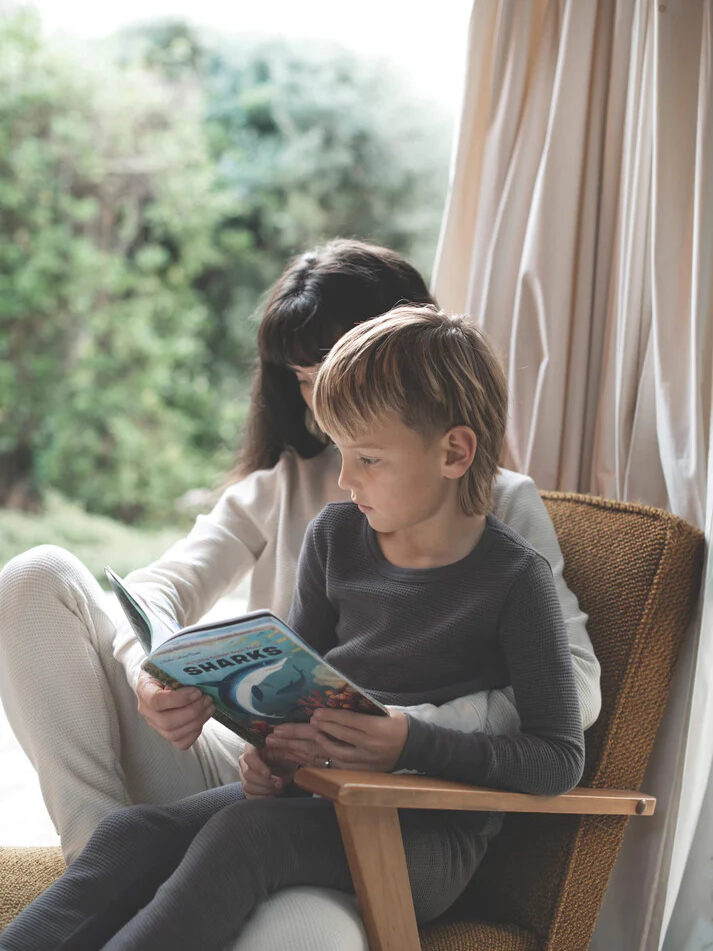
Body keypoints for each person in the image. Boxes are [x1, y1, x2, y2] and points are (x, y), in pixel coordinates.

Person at [0, 240, 600, 951]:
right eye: (305, 380)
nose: (339, 470)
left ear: (451, 448)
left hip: (413, 821)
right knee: (134, 832)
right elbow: (299, 675)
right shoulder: (332, 528)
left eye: (365, 453)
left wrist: (403, 735)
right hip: (306, 790)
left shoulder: (511, 563)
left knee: (250, 842)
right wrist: (262, 740)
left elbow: (560, 751)